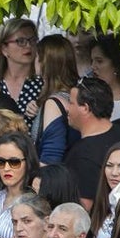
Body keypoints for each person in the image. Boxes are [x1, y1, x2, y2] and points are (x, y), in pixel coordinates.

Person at [64, 73, 120, 206]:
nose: (67, 108)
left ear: (85, 108)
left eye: (71, 103)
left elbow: (84, 207)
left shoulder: (81, 156)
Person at [32, 34, 81, 163]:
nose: (34, 60)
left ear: (45, 62)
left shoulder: (54, 103)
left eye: (37, 56)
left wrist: (39, 181)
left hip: (53, 177)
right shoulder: (73, 96)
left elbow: (51, 153)